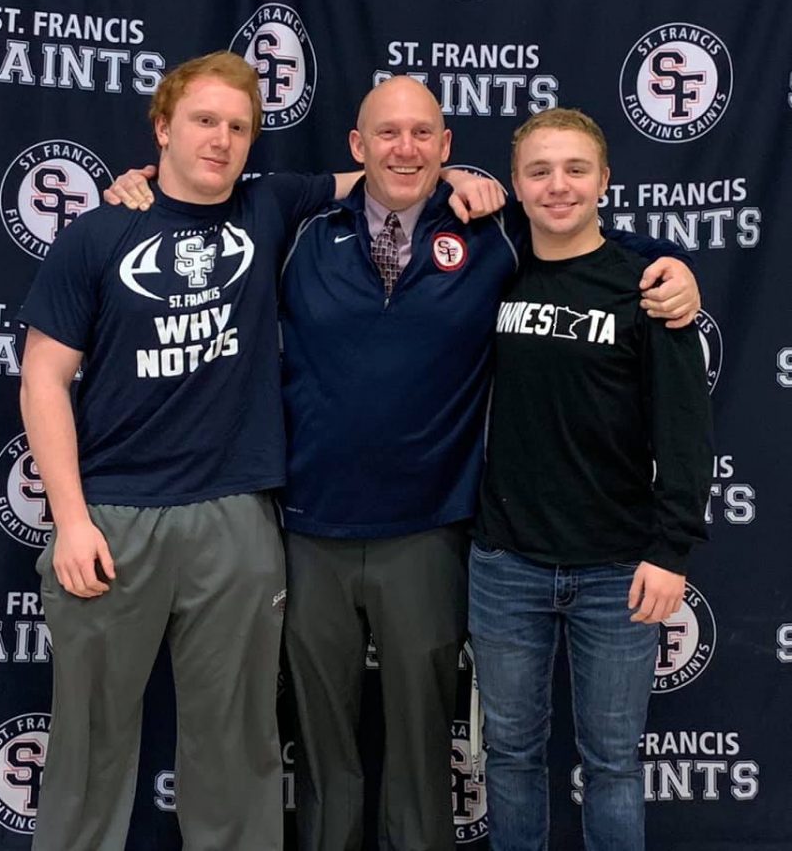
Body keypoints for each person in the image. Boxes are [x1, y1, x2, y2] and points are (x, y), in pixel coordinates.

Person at [106, 78, 700, 851]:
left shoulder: (492, 231)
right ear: (357, 147)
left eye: (423, 134)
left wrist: (672, 262)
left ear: (447, 148)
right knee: (324, 747)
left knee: (425, 748)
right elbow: (199, 201)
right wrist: (139, 183)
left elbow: (584, 240)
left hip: (431, 531)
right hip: (310, 528)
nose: (405, 148)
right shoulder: (297, 223)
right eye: (387, 133)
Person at [18, 51, 348, 851]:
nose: (222, 139)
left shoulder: (269, 207)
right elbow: (42, 381)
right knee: (88, 747)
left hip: (234, 515)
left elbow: (377, 176)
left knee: (236, 745)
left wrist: (465, 182)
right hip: (113, 516)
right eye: (204, 120)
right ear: (162, 128)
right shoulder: (99, 232)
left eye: (239, 127)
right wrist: (70, 521)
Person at [468, 108, 712, 851]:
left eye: (575, 170)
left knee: (610, 764)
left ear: (604, 180)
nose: (557, 186)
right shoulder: (489, 273)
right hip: (506, 562)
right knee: (508, 757)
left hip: (616, 565)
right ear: (515, 185)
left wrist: (671, 552)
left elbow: (684, 431)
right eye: (538, 171)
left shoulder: (646, 287)